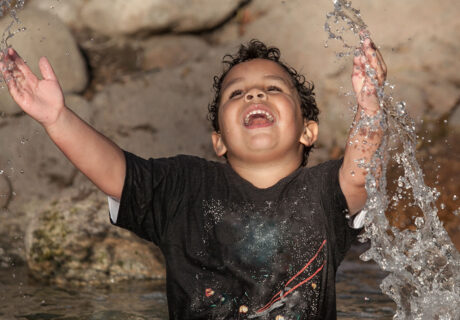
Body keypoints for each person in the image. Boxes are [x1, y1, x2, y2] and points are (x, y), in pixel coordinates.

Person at [0, 35, 386, 319]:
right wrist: (57, 118)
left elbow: (360, 172)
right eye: (237, 94)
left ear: (308, 132)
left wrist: (370, 107)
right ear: (218, 141)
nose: (254, 96)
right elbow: (115, 172)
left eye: (272, 89)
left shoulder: (323, 191)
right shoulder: (186, 187)